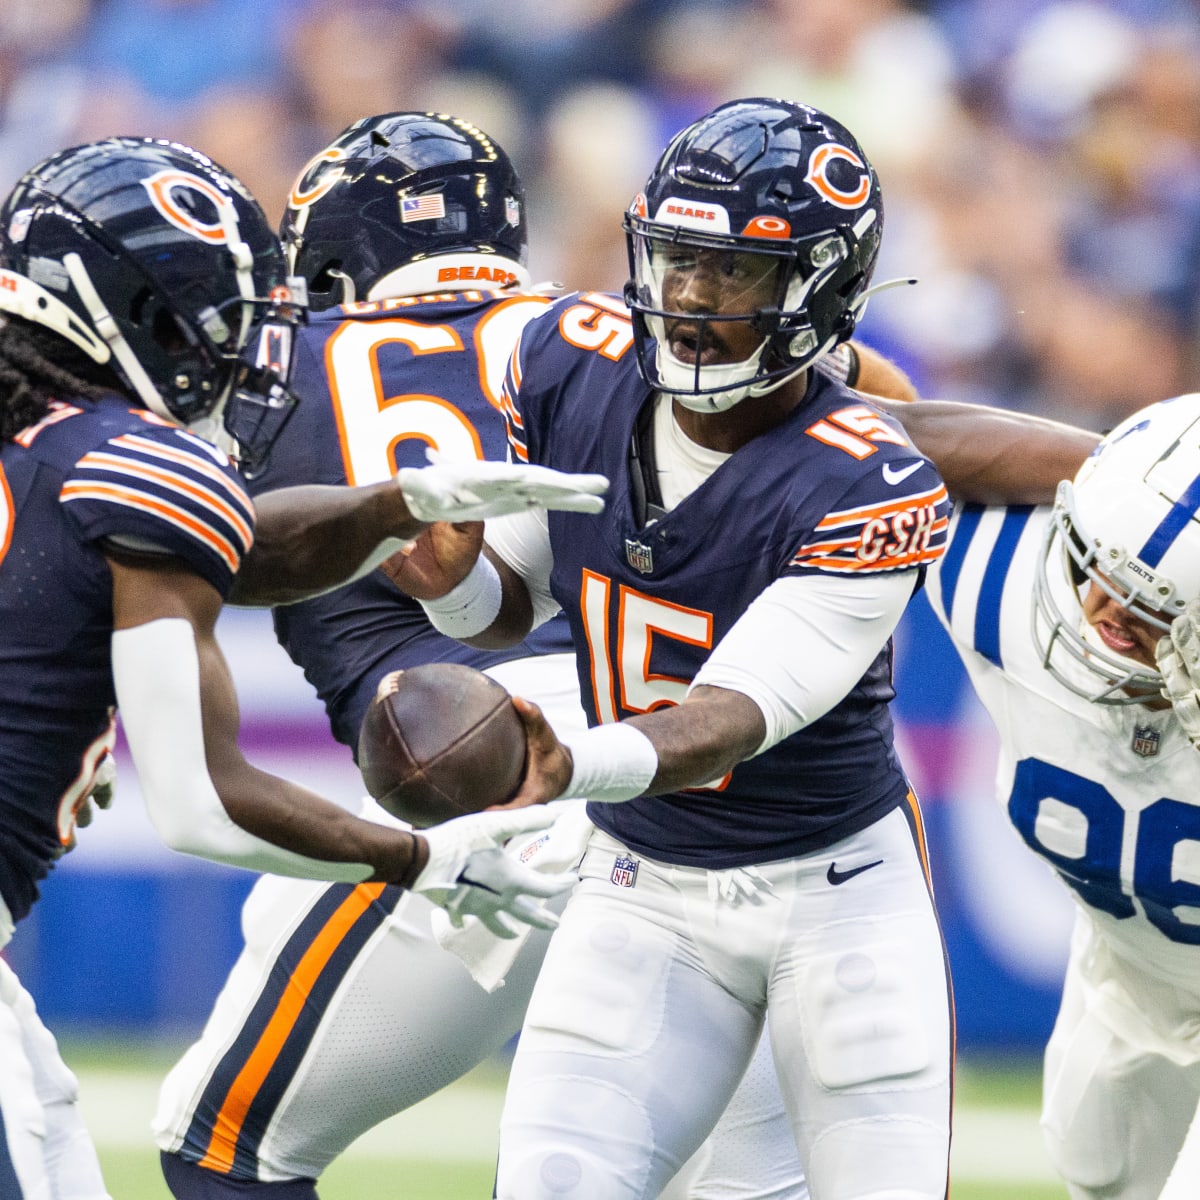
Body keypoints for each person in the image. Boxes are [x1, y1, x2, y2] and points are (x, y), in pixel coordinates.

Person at [154, 110, 919, 1200]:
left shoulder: (274, 366)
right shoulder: (618, 327)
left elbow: (140, 533)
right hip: (673, 778)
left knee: (224, 1145)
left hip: (457, 775)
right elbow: (887, 417)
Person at [0, 134, 607, 1200]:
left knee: (209, 1140)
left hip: (500, 761)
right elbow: (201, 801)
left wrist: (392, 505)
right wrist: (417, 862)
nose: (240, 339)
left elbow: (245, 544)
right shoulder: (127, 464)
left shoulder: (81, 453)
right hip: (650, 755)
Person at [386, 96, 957, 1199]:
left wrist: (565, 760)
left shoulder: (866, 477)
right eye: (677, 260)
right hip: (642, 881)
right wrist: (455, 586)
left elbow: (732, 716)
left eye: (733, 272)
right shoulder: (572, 364)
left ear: (820, 288)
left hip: (834, 896)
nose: (690, 299)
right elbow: (516, 598)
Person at [926, 393, 1200, 1200]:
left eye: (1154, 611)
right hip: (1130, 978)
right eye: (1096, 567)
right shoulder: (999, 588)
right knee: (1097, 1173)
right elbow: (874, 433)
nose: (1107, 613)